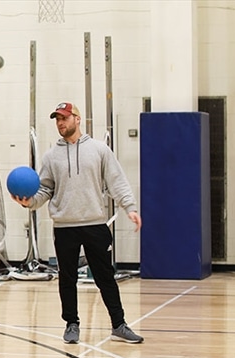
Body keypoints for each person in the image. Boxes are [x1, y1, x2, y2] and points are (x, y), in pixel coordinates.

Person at [12, 102, 144, 345]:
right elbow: (44, 191)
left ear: (77, 119)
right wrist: (28, 202)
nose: (60, 123)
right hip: (65, 227)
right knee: (67, 278)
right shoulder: (51, 156)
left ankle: (119, 324)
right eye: (57, 120)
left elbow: (117, 182)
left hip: (95, 224)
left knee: (105, 276)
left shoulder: (99, 150)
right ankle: (71, 324)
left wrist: (130, 208)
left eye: (64, 118)